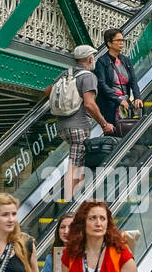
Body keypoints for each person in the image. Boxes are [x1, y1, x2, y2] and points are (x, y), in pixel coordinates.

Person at [45, 44, 116, 201]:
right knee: (75, 165)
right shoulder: (88, 77)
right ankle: (70, 203)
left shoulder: (65, 74)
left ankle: (78, 198)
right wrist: (104, 124)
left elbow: (48, 91)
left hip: (63, 126)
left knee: (79, 162)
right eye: (94, 58)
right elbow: (89, 104)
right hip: (79, 126)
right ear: (90, 59)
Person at [94, 27, 143, 133]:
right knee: (114, 132)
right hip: (111, 104)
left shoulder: (125, 60)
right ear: (109, 43)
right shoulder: (102, 61)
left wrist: (137, 97)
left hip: (125, 102)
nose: (121, 43)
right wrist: (118, 100)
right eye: (118, 40)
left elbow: (133, 81)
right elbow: (101, 84)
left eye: (122, 40)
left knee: (127, 130)